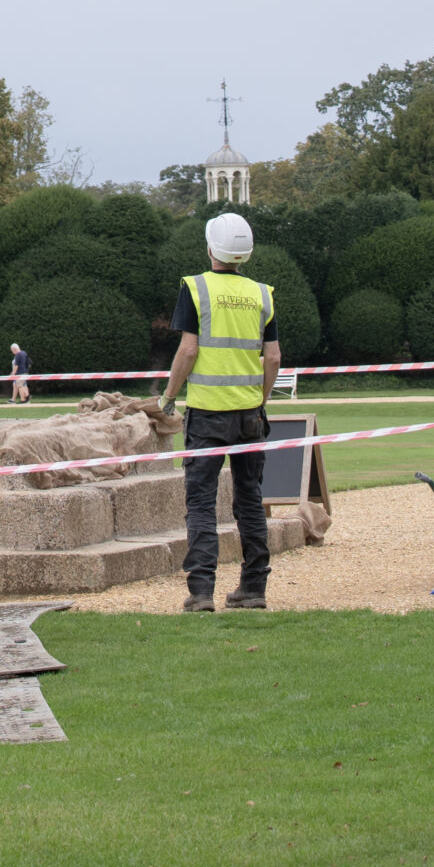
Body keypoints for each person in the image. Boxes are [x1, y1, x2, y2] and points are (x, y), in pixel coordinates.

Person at [158, 211, 280, 613]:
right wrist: (260, 401)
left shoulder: (195, 289)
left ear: (211, 248)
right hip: (249, 415)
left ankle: (201, 591)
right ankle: (254, 587)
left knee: (200, 503)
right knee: (249, 500)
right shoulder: (263, 294)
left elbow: (188, 350)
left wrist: (169, 397)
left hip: (208, 416)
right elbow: (273, 359)